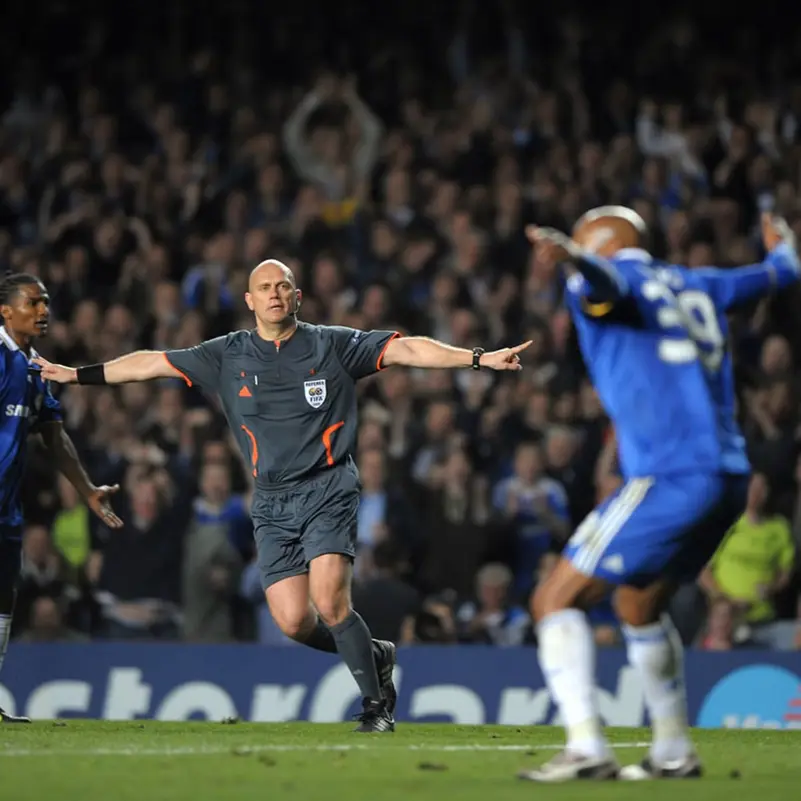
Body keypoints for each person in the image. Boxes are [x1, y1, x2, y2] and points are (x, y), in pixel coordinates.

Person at [34, 258, 531, 732]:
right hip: (271, 500)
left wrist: (478, 359)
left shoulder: (332, 345)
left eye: (283, 286)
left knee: (330, 602)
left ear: (298, 296)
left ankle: (376, 705)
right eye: (265, 288)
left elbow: (408, 350)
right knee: (294, 621)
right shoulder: (226, 354)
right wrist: (77, 374)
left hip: (328, 486)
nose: (275, 294)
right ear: (249, 300)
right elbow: (152, 363)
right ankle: (374, 653)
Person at [516, 207, 799, 782]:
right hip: (728, 477)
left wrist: (576, 260)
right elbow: (783, 273)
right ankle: (672, 751)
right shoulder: (698, 282)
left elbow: (607, 286)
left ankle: (586, 748)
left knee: (553, 600)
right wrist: (781, 243)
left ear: (598, 241)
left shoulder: (603, 277)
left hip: (669, 475)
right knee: (637, 606)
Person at [0, 273, 122, 723]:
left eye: (46, 302)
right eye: (33, 302)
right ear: (5, 311)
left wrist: (86, 490)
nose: (43, 310)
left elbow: (54, 436)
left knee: (3, 602)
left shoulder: (35, 368)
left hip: (7, 509)